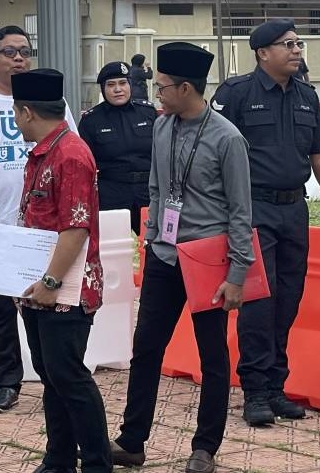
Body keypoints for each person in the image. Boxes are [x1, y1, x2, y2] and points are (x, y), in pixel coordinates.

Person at [111, 42, 253, 473]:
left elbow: (240, 212)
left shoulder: (227, 138)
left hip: (208, 260)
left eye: (162, 87)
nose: (156, 93)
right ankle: (132, 441)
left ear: (186, 88)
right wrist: (151, 241)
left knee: (213, 357)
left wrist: (238, 273)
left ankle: (205, 447)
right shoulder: (161, 127)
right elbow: (156, 188)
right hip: (164, 256)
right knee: (146, 348)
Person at [212, 19, 320, 425]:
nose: (296, 50)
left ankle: (276, 387)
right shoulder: (237, 93)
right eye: (287, 44)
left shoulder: (306, 95)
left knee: (288, 297)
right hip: (252, 209)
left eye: (298, 43)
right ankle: (255, 390)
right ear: (262, 53)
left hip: (294, 209)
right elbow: (213, 152)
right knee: (259, 301)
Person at [0, 25, 76, 413]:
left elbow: (70, 148)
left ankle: (51, 381)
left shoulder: (48, 100)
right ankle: (6, 383)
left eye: (25, 51)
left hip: (41, 228)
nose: (19, 59)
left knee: (41, 306)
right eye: (9, 52)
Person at [12, 68, 112, 473]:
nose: (16, 121)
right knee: (51, 376)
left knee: (69, 376)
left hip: (65, 288)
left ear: (27, 111)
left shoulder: (70, 154)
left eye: (16, 113)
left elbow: (76, 227)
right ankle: (58, 459)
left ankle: (97, 463)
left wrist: (51, 282)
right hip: (39, 285)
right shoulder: (42, 152)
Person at [79, 61, 156, 234]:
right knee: (114, 245)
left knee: (151, 243)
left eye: (123, 83)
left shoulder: (147, 112)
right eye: (111, 85)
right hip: (111, 194)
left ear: (130, 84)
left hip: (147, 192)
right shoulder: (91, 120)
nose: (118, 89)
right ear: (103, 88)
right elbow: (84, 164)